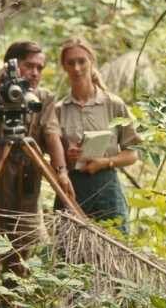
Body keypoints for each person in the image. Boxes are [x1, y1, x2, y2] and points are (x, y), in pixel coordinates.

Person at [0, 40, 73, 308]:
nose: (36, 72)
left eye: (40, 67)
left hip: (26, 198)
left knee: (17, 273)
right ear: (12, 64)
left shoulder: (44, 98)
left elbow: (52, 133)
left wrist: (61, 170)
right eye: (29, 66)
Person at [54, 36, 142, 236]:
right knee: (69, 252)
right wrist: (68, 157)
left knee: (115, 248)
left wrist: (105, 162)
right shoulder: (59, 110)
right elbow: (53, 157)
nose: (77, 68)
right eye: (71, 63)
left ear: (92, 62)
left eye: (82, 61)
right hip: (73, 187)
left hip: (107, 185)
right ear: (64, 67)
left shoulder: (113, 104)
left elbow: (133, 153)